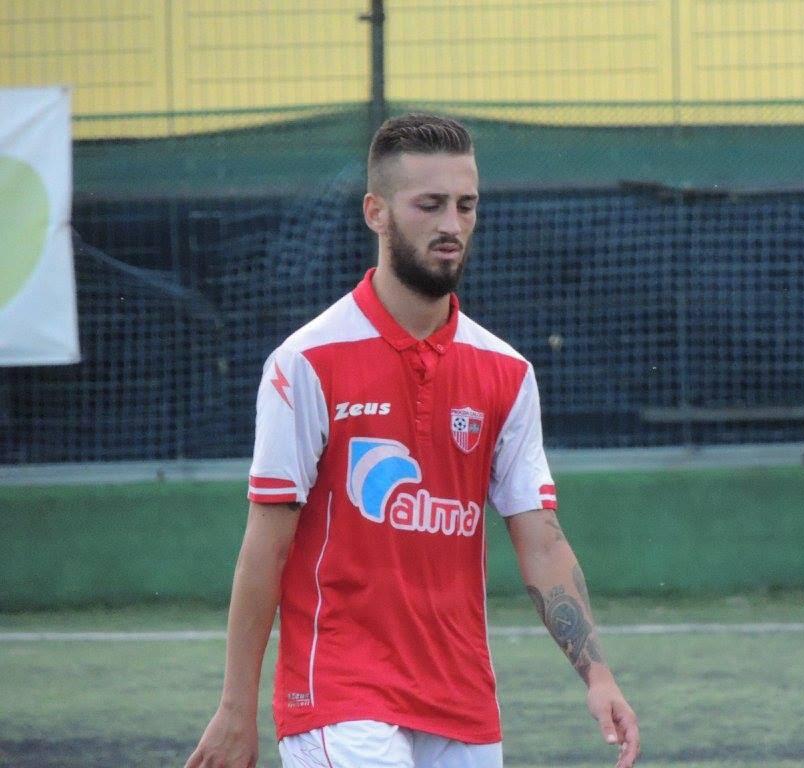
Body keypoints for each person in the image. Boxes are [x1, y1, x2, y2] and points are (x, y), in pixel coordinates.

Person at [185, 113, 640, 768]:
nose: (452, 224)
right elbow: (265, 546)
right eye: (430, 205)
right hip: (339, 695)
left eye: (465, 205)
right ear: (376, 212)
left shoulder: (507, 373)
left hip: (462, 702)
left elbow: (540, 539)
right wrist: (236, 706)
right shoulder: (306, 362)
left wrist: (598, 675)